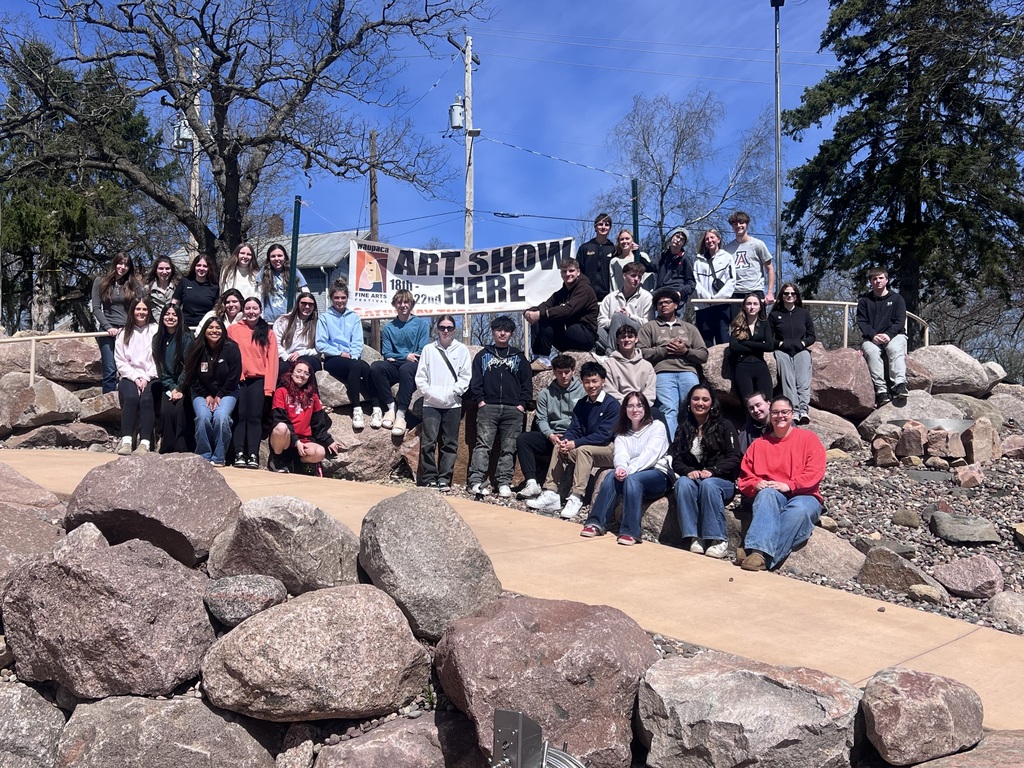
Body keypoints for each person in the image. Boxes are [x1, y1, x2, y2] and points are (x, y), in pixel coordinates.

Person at [737, 396, 826, 572]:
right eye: (776, 412)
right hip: (773, 494)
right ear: (770, 414)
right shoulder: (759, 445)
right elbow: (745, 477)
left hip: (805, 495)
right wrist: (756, 484)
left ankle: (757, 555)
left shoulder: (809, 439)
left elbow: (815, 471)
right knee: (767, 494)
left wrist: (790, 485)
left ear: (792, 414)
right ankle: (758, 555)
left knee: (799, 510)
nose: (780, 416)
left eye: (784, 412)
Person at [526, 361, 619, 520]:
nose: (591, 385)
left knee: (583, 450)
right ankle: (551, 493)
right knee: (558, 445)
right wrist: (566, 441)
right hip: (588, 446)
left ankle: (576, 496)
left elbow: (604, 435)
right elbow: (575, 428)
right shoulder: (582, 404)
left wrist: (576, 443)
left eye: (594, 381)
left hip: (610, 449)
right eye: (587, 382)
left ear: (603, 381)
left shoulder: (612, 405)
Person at [579, 391, 672, 546]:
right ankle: (596, 522)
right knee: (611, 476)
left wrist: (628, 470)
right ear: (625, 409)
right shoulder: (622, 433)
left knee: (633, 480)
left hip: (658, 475)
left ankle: (631, 532)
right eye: (630, 406)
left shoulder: (657, 427)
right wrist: (621, 467)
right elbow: (620, 454)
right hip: (632, 473)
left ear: (645, 408)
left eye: (639, 405)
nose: (635, 409)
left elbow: (650, 455)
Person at [670, 384, 742, 559]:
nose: (700, 403)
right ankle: (696, 536)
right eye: (696, 399)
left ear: (712, 403)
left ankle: (719, 540)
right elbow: (676, 460)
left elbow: (734, 457)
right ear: (689, 402)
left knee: (709, 485)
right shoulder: (684, 427)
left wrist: (713, 470)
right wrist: (688, 471)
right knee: (683, 483)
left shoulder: (725, 426)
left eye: (705, 399)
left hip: (721, 482)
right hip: (696, 480)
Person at [467, 315, 532, 498]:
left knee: (509, 448)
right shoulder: (483, 355)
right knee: (483, 445)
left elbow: (527, 384)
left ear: (511, 333)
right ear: (493, 332)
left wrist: (522, 404)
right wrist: (480, 400)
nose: (502, 333)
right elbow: (476, 381)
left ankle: (503, 482)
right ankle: (476, 481)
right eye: (498, 330)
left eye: (507, 330)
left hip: (513, 410)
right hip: (488, 407)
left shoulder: (519, 357)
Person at [637, 288, 708, 442]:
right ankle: (674, 448)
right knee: (668, 409)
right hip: (663, 373)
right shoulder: (649, 327)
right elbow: (641, 352)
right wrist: (664, 350)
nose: (663, 305)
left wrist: (685, 351)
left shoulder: (689, 328)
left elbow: (703, 355)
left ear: (676, 305)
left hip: (688, 372)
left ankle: (696, 443)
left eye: (667, 302)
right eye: (659, 303)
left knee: (694, 408)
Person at [415, 314, 472, 491]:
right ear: (437, 329)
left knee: (450, 443)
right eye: (442, 327)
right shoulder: (428, 349)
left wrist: (453, 392)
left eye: (449, 328)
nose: (445, 331)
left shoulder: (461, 350)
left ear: (454, 330)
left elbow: (465, 376)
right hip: (431, 403)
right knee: (428, 442)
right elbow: (421, 376)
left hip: (453, 404)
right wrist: (430, 392)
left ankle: (444, 478)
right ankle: (430, 477)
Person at [516, 354, 584, 499]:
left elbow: (585, 419)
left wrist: (571, 436)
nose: (564, 376)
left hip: (573, 437)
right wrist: (550, 435)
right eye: (560, 372)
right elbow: (541, 419)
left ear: (573, 371)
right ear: (554, 371)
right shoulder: (545, 394)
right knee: (523, 439)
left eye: (567, 372)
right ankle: (532, 483)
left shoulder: (583, 392)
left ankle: (568, 492)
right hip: (552, 436)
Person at [368, 290, 430, 436]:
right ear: (395, 305)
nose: (403, 305)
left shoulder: (421, 325)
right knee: (376, 367)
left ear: (411, 304)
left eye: (406, 302)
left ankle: (401, 414)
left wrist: (399, 357)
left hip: (414, 365)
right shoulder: (389, 327)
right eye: (399, 302)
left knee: (406, 369)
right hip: (399, 363)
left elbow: (420, 352)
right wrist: (404, 355)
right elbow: (387, 353)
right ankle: (391, 408)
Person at [227, 297, 279, 468]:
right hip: (239, 379)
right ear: (243, 310)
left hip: (259, 379)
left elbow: (272, 361)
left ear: (260, 310)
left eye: (254, 308)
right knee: (240, 417)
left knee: (255, 418)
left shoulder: (268, 332)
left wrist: (269, 387)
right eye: (248, 308)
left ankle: (253, 454)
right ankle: (239, 453)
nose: (251, 311)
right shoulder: (233, 330)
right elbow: (230, 355)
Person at [524, 257, 599, 371]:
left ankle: (545, 360)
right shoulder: (562, 292)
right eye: (564, 271)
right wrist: (529, 312)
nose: (568, 274)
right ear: (561, 273)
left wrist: (541, 313)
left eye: (571, 271)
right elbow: (546, 305)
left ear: (578, 272)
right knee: (539, 317)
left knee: (547, 316)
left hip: (585, 336)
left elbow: (568, 310)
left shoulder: (585, 289)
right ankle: (538, 357)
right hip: (566, 336)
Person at [184, 317, 241, 467]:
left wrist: (219, 395)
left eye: (218, 328)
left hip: (227, 391)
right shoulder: (195, 347)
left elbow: (234, 376)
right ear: (204, 330)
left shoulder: (231, 348)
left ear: (223, 331)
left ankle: (218, 457)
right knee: (203, 416)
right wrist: (206, 395)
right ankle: (204, 454)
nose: (214, 331)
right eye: (211, 328)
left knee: (221, 417)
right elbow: (191, 376)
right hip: (201, 391)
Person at [268, 360, 341, 473]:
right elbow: (280, 419)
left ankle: (296, 463)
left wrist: (329, 441)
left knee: (320, 452)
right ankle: (277, 459)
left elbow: (318, 423)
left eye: (306, 373)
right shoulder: (281, 391)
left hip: (304, 440)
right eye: (299, 371)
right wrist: (296, 441)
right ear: (292, 372)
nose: (302, 375)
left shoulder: (313, 396)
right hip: (286, 439)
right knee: (281, 427)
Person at [316, 280, 371, 430]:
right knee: (356, 365)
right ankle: (357, 408)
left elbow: (358, 341)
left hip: (351, 358)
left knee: (366, 367)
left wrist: (353, 355)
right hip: (333, 358)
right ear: (331, 299)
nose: (340, 301)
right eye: (336, 298)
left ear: (347, 298)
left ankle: (377, 406)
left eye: (343, 298)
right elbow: (321, 344)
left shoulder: (353, 317)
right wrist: (340, 353)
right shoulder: (325, 318)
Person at [856, 267, 908, 408]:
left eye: (880, 278)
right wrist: (872, 336)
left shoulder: (897, 299)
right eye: (874, 279)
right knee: (871, 352)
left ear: (886, 280)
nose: (877, 281)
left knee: (894, 348)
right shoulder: (864, 301)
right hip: (871, 338)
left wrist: (888, 335)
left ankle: (900, 385)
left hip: (895, 335)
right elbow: (862, 322)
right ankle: (881, 391)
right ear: (870, 282)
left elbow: (900, 321)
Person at [114, 297, 158, 455]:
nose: (141, 312)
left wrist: (146, 378)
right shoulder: (124, 333)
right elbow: (120, 361)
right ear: (132, 311)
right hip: (129, 377)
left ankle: (145, 443)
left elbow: (159, 359)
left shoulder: (156, 330)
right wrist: (135, 378)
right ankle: (126, 442)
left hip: (152, 376)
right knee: (131, 398)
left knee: (147, 399)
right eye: (138, 309)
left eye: (144, 309)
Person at [92, 253, 140, 393]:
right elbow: (96, 308)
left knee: (131, 367)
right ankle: (109, 406)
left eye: (126, 264)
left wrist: (128, 326)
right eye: (120, 263)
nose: (122, 267)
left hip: (128, 330)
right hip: (107, 331)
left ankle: (133, 402)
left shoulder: (133, 284)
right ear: (114, 263)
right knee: (110, 369)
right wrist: (108, 327)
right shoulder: (100, 282)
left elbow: (140, 306)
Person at [770, 282, 816, 424]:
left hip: (800, 350)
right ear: (782, 296)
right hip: (782, 351)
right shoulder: (774, 315)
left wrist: (803, 343)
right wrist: (780, 344)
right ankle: (793, 409)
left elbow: (811, 335)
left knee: (802, 380)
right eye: (786, 293)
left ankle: (803, 409)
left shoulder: (804, 313)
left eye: (792, 293)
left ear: (796, 296)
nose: (789, 296)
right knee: (787, 379)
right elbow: (769, 337)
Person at [153, 304, 193, 454]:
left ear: (179, 318)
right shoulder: (157, 339)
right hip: (169, 385)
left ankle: (182, 448)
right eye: (167, 314)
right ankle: (168, 448)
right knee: (166, 411)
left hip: (185, 384)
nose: (170, 317)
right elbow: (160, 367)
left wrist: (180, 387)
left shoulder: (187, 337)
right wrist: (172, 388)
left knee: (179, 411)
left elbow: (188, 366)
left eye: (174, 314)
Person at [692, 228, 736, 346]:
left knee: (723, 342)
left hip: (722, 306)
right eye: (707, 239)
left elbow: (731, 281)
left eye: (712, 237)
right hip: (703, 307)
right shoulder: (698, 260)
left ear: (718, 240)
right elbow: (695, 282)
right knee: (705, 343)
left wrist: (718, 298)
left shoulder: (727, 257)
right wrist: (707, 298)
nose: (710, 241)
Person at [727, 293, 774, 403]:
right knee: (747, 404)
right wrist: (759, 346)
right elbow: (733, 347)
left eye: (755, 304)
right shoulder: (737, 323)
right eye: (748, 304)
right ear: (743, 306)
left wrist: (746, 343)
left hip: (760, 365)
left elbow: (769, 346)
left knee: (767, 402)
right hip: (742, 366)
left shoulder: (764, 323)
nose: (752, 307)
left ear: (760, 307)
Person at [597, 261, 652, 352]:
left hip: (635, 335)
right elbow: (600, 322)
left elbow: (648, 324)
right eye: (633, 276)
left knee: (618, 316)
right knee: (593, 328)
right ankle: (615, 350)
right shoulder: (610, 297)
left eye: (639, 277)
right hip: (614, 336)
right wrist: (615, 321)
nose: (636, 279)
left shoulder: (647, 297)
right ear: (624, 275)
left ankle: (611, 352)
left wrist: (630, 316)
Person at [725, 210, 775, 308]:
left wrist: (770, 292)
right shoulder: (727, 249)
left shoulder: (758, 244)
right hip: (735, 292)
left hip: (755, 291)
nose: (738, 226)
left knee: (757, 323)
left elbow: (770, 269)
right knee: (736, 323)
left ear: (747, 224)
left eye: (741, 223)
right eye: (735, 224)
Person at [273, 288, 321, 384]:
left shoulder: (318, 324)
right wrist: (287, 357)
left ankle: (312, 396)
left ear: (314, 307)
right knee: (282, 369)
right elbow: (276, 342)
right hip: (286, 357)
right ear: (298, 304)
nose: (307, 307)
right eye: (303, 303)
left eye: (310, 304)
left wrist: (301, 352)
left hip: (307, 356)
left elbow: (320, 348)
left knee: (305, 365)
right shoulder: (283, 320)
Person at [602, 324, 657, 405]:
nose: (627, 340)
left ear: (636, 339)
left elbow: (650, 392)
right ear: (617, 340)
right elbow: (609, 390)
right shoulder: (608, 365)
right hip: (618, 407)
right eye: (623, 337)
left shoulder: (647, 366)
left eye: (630, 337)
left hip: (642, 406)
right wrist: (627, 405)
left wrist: (639, 405)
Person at [259, 243, 308, 323]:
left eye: (279, 255)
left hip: (289, 319)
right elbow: (258, 293)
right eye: (273, 256)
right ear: (269, 258)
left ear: (285, 257)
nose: (276, 258)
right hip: (269, 321)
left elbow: (305, 291)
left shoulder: (293, 271)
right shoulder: (264, 272)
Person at [172, 254, 220, 331]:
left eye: (205, 266)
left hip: (205, 327)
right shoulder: (185, 282)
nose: (201, 268)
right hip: (185, 327)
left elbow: (216, 309)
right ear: (194, 267)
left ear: (209, 268)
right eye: (198, 265)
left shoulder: (214, 287)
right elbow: (174, 304)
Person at [576, 212, 617, 301]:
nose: (603, 227)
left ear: (610, 228)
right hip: (587, 293)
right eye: (600, 224)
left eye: (607, 225)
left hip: (608, 295)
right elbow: (578, 271)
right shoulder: (585, 248)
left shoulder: (613, 249)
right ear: (595, 227)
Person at [654, 226, 695, 312]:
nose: (678, 240)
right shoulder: (663, 256)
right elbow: (650, 267)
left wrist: (680, 293)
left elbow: (691, 283)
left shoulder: (685, 260)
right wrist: (637, 253)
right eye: (677, 236)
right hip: (660, 293)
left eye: (682, 239)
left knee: (674, 324)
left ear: (683, 243)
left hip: (675, 294)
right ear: (672, 237)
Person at [608, 229, 654, 294]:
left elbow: (649, 278)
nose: (624, 241)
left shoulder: (642, 256)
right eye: (622, 239)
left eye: (627, 238)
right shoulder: (614, 261)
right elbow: (612, 283)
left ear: (632, 240)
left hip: (641, 297)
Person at [141, 256, 178, 320]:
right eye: (161, 268)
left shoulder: (177, 287)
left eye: (167, 268)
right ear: (155, 270)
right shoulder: (147, 289)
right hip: (155, 324)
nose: (164, 272)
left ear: (172, 270)